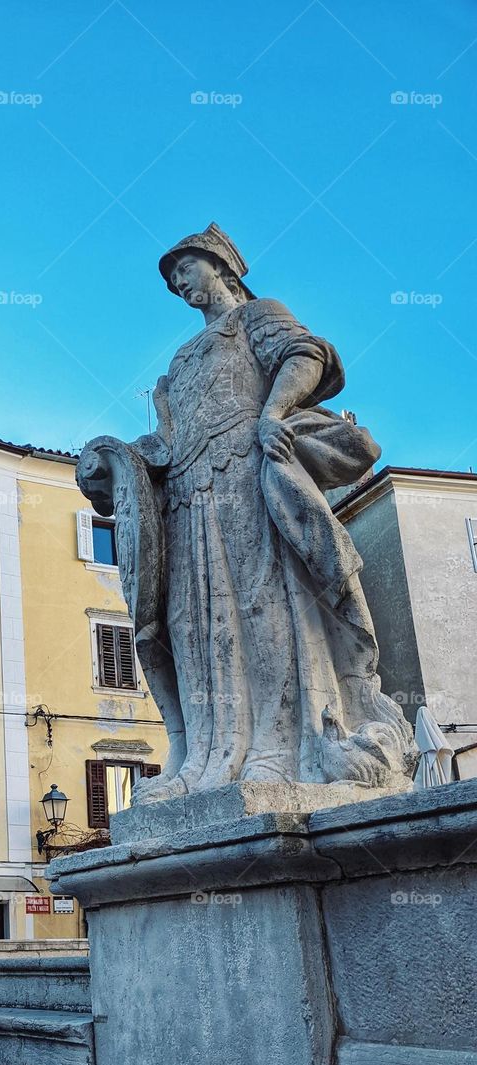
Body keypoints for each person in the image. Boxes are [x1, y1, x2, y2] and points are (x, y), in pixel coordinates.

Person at [77, 224, 416, 800]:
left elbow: (307, 355)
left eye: (185, 267)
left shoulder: (257, 316)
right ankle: (206, 760)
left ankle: (278, 750)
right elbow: (168, 440)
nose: (178, 281)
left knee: (265, 612)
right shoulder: (178, 364)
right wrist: (116, 461)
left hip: (248, 479)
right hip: (188, 496)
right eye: (171, 276)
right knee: (196, 628)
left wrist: (275, 414)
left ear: (221, 266)